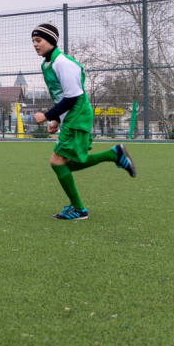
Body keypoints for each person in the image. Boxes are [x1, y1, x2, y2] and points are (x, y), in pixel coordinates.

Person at [31, 23, 136, 220]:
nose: (35, 44)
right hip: (71, 115)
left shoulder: (62, 63)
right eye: (33, 41)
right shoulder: (48, 64)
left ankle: (79, 209)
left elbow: (73, 97)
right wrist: (56, 119)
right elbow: (62, 95)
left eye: (39, 40)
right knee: (66, 163)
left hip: (77, 114)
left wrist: (47, 115)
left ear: (51, 41)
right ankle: (114, 154)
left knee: (56, 161)